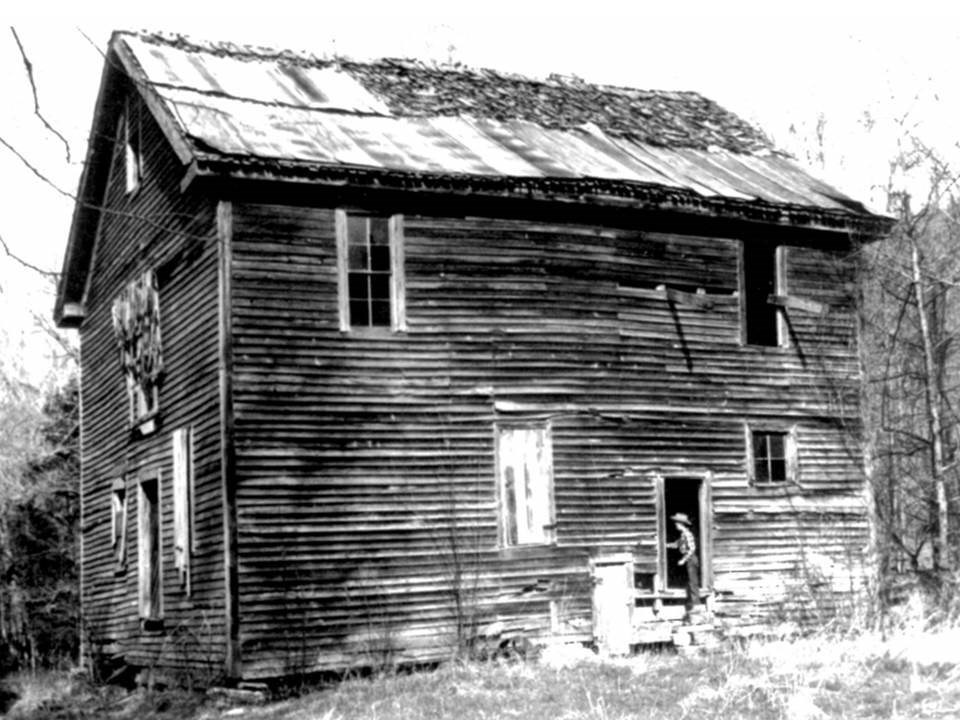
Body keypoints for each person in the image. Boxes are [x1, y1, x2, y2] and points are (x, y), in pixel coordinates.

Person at [667, 512, 699, 619]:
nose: (675, 525)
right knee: (689, 583)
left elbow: (692, 549)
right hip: (688, 559)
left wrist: (683, 560)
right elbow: (676, 544)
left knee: (692, 583)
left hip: (690, 559)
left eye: (677, 523)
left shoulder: (687, 534)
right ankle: (692, 605)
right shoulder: (682, 535)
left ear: (681, 524)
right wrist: (664, 544)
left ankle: (696, 607)